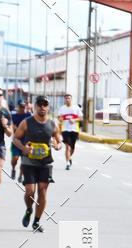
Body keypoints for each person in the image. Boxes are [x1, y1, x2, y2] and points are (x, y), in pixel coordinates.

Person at [12, 95, 62, 233]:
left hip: (45, 163)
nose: (42, 107)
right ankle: (29, 209)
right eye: (39, 104)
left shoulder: (52, 124)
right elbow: (15, 138)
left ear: (48, 107)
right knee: (30, 191)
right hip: (28, 161)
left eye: (45, 104)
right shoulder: (27, 122)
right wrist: (23, 148)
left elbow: (59, 141)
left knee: (43, 191)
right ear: (35, 106)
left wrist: (58, 145)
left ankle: (36, 221)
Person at [57, 94, 83, 170]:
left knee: (72, 147)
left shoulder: (76, 108)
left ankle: (69, 157)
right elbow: (59, 117)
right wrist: (60, 119)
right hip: (65, 130)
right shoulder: (62, 108)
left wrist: (74, 120)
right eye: (66, 98)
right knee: (68, 146)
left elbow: (81, 118)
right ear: (64, 100)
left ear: (71, 99)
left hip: (74, 130)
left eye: (69, 98)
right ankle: (67, 163)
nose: (67, 99)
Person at [10, 99, 31, 181]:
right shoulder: (13, 115)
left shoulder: (29, 115)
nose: (23, 108)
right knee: (15, 158)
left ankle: (20, 176)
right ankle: (13, 169)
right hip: (16, 141)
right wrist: (13, 128)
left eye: (24, 106)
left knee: (24, 161)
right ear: (18, 106)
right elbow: (10, 125)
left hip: (26, 141)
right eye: (21, 106)